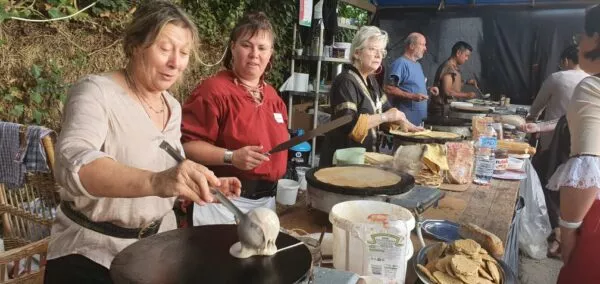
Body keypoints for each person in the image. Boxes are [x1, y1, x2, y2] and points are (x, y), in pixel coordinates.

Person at [44, 1, 241, 283]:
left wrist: (195, 183)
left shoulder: (171, 106)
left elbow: (155, 166)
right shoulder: (96, 92)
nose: (176, 62)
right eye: (165, 48)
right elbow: (74, 162)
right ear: (136, 44)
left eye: (184, 53)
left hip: (154, 253)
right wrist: (157, 181)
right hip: (91, 255)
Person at [181, 12, 288, 226]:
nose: (254, 54)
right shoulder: (213, 91)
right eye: (247, 45)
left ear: (270, 54)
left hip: (266, 204)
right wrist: (231, 156)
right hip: (222, 202)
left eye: (262, 48)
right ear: (233, 47)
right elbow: (186, 146)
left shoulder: (274, 98)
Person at [547, 4, 600, 283]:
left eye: (584, 34)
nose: (579, 41)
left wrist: (566, 231)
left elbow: (587, 166)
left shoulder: (592, 87)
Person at [319, 26, 422, 167]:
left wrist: (403, 122)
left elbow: (387, 109)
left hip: (362, 160)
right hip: (343, 163)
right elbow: (349, 125)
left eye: (382, 51)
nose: (379, 56)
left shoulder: (371, 81)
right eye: (373, 49)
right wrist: (386, 117)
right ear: (357, 53)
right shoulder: (345, 81)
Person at [527, 45, 589, 151]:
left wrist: (532, 119)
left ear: (565, 60)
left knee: (547, 165)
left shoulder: (556, 78)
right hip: (579, 137)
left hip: (552, 136)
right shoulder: (590, 80)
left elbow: (538, 105)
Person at [384, 32, 439, 125]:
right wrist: (412, 96)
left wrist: (428, 89)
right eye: (422, 45)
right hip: (405, 122)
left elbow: (412, 86)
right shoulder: (400, 63)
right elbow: (388, 88)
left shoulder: (418, 65)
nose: (425, 48)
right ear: (412, 46)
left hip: (419, 121)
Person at [429, 41, 478, 118]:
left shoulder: (454, 67)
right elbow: (447, 92)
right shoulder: (448, 67)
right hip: (441, 110)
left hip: (447, 108)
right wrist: (467, 95)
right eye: (466, 55)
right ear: (458, 53)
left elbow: (453, 84)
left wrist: (467, 82)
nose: (467, 59)